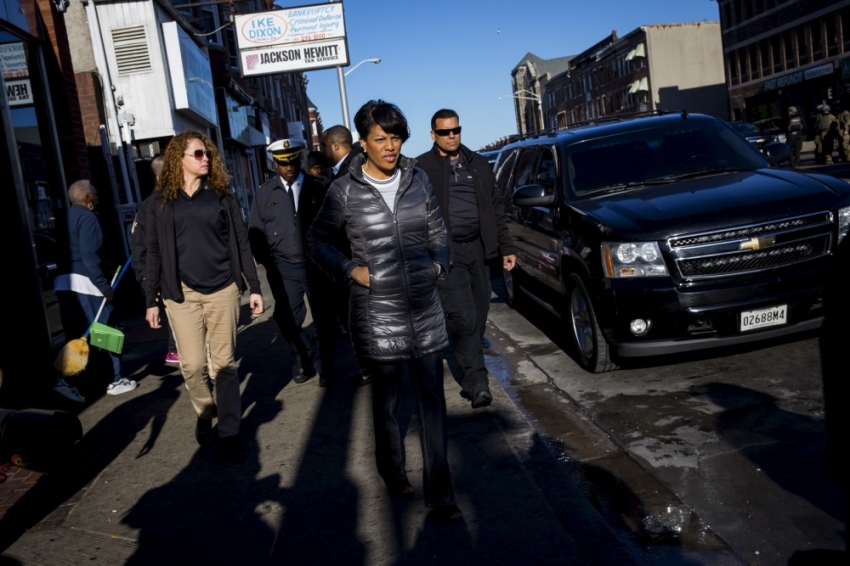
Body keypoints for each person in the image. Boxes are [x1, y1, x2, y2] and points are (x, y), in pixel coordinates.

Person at [307, 100, 462, 523]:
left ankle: (442, 494)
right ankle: (392, 472)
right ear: (363, 143)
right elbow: (316, 241)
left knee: (432, 401)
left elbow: (438, 231)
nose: (390, 146)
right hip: (378, 314)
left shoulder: (418, 179)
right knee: (388, 403)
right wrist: (349, 269)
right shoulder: (344, 191)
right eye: (381, 139)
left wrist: (437, 265)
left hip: (424, 307)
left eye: (395, 137)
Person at [144, 131, 263, 461]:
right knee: (194, 366)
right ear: (178, 160)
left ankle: (229, 433)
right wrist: (150, 300)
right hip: (180, 294)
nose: (206, 159)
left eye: (207, 153)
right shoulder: (160, 204)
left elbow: (241, 243)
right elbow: (153, 252)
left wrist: (254, 287)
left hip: (223, 290)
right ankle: (205, 410)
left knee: (224, 366)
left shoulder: (222, 197)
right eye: (198, 154)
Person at [416, 109, 517, 409]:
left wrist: (506, 246)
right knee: (464, 317)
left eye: (455, 130)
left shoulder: (478, 164)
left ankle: (472, 366)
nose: (451, 136)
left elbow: (495, 208)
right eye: (444, 132)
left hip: (478, 250)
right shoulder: (422, 168)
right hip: (447, 254)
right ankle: (477, 383)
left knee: (480, 312)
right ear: (433, 134)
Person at [248, 139, 338, 386]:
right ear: (274, 163)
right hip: (284, 267)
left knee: (324, 319)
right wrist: (269, 263)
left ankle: (324, 365)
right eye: (282, 163)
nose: (289, 167)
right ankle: (302, 355)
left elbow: (335, 225)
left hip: (316, 266)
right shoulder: (265, 193)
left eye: (293, 161)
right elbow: (256, 231)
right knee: (287, 319)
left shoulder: (319, 187)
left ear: (300, 159)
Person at [54, 180, 138, 402]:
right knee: (106, 331)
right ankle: (116, 379)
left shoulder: (64, 218)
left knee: (77, 335)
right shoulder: (88, 218)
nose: (98, 197)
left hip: (64, 284)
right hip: (88, 285)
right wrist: (105, 287)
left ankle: (70, 381)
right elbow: (91, 257)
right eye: (96, 194)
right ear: (87, 199)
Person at [132, 155, 179, 365]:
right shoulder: (150, 207)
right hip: (162, 275)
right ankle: (174, 349)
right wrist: (147, 281)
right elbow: (141, 248)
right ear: (160, 177)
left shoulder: (180, 200)